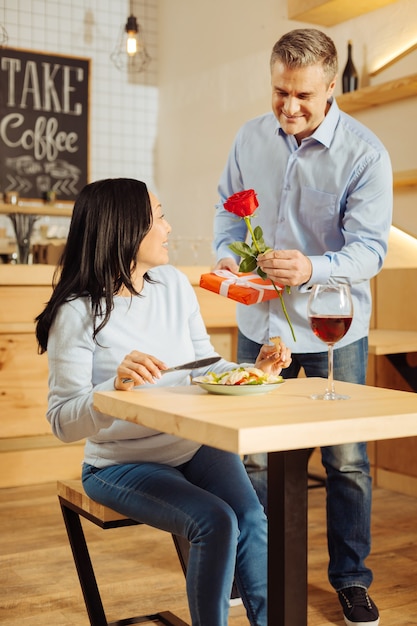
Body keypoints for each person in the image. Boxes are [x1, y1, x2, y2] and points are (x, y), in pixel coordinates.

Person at [35, 178, 292, 626]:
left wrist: (256, 370)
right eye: (159, 217)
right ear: (126, 228)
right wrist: (110, 392)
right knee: (216, 521)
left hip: (190, 444)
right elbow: (61, 421)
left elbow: (203, 366)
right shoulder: (77, 312)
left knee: (251, 517)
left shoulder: (172, 283)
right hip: (120, 464)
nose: (169, 228)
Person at [213, 28, 392, 626]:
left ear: (331, 88)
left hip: (332, 330)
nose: (289, 107)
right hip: (258, 321)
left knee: (346, 462)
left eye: (303, 96)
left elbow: (370, 251)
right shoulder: (248, 138)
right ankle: (254, 570)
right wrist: (228, 257)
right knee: (255, 459)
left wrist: (312, 266)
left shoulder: (365, 154)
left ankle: (351, 580)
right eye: (280, 92)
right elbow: (227, 211)